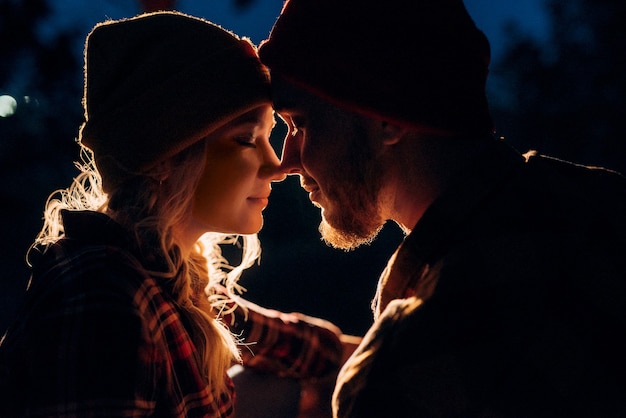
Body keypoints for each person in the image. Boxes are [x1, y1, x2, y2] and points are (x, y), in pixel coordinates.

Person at [257, 0, 626, 416]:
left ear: (388, 118)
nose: (284, 162)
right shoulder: (601, 202)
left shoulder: (416, 359)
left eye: (300, 124)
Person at [0, 11, 348, 417]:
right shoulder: (105, 300)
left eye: (267, 136)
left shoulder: (170, 276)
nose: (277, 165)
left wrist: (400, 345)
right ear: (165, 158)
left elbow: (302, 349)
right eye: (244, 139)